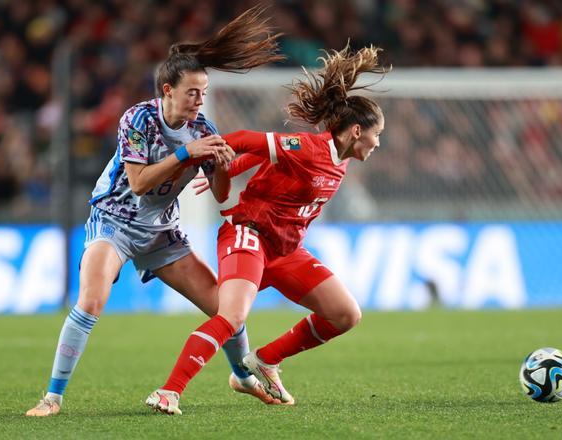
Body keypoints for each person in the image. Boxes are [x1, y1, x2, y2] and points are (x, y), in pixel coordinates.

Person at [26, 6, 284, 417]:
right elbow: (140, 183)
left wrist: (220, 166)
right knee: (92, 301)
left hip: (162, 232)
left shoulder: (205, 130)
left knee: (226, 308)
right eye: (192, 92)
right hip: (114, 222)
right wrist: (187, 153)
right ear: (168, 90)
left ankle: (243, 374)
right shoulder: (138, 119)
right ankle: (52, 397)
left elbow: (218, 196)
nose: (200, 101)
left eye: (203, 92)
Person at [146, 44, 388, 415]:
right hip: (248, 234)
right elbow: (246, 137)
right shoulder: (309, 148)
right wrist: (217, 161)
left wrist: (236, 165)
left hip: (285, 251)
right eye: (377, 134)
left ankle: (265, 361)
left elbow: (262, 156)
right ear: (357, 130)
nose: (378, 143)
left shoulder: (339, 161)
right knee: (231, 317)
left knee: (345, 314)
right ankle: (168, 391)